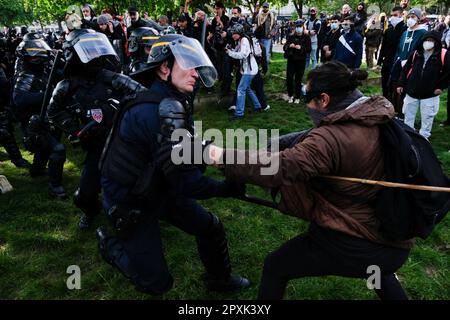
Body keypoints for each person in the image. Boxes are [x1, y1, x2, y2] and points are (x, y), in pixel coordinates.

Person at [208, 61, 413, 300]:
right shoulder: (372, 114)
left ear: (324, 99)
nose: (306, 104)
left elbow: (282, 167)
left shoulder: (333, 138)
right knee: (377, 271)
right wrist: (273, 146)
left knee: (276, 266)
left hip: (351, 240)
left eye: (308, 96)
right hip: (390, 241)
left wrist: (220, 156)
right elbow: (307, 138)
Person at [96, 34, 251, 294]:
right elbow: (187, 182)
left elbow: (184, 147)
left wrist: (215, 156)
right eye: (188, 64)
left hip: (158, 183)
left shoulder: (171, 100)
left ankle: (219, 280)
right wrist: (226, 188)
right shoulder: (155, 111)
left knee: (209, 227)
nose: (196, 72)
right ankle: (110, 247)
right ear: (164, 68)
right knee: (156, 284)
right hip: (130, 199)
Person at [46, 29, 146, 229]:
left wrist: (124, 111)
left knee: (139, 189)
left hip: (121, 144)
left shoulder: (114, 79)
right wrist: (75, 129)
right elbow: (53, 111)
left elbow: (145, 97)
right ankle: (92, 211)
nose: (95, 56)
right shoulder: (66, 85)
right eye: (88, 51)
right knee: (83, 197)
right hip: (95, 148)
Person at [13, 33, 67, 198]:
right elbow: (20, 99)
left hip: (46, 117)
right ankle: (54, 187)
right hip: (33, 123)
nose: (39, 56)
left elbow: (60, 74)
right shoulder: (25, 74)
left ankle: (36, 169)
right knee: (57, 149)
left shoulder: (43, 68)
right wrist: (48, 94)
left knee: (50, 142)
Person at [396, 30, 450, 139]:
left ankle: (424, 138)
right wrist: (400, 84)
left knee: (427, 117)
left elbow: (448, 72)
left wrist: (440, 86)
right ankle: (408, 137)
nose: (427, 42)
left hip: (430, 94)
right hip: (412, 91)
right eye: (426, 40)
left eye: (430, 40)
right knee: (408, 116)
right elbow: (406, 69)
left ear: (436, 42)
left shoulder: (444, 54)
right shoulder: (416, 53)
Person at [390, 8, 427, 118]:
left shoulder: (423, 32)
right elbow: (399, 48)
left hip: (412, 66)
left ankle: (406, 115)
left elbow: (421, 50)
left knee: (406, 90)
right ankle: (397, 111)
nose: (410, 19)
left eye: (413, 17)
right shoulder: (405, 33)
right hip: (399, 64)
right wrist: (398, 60)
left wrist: (411, 61)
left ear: (419, 19)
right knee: (395, 87)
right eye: (409, 17)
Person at [226, 24, 262, 119]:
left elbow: (242, 55)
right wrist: (231, 50)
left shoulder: (244, 40)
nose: (232, 35)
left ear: (239, 33)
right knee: (247, 88)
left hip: (249, 70)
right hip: (249, 69)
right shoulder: (241, 40)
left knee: (241, 89)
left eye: (234, 33)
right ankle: (258, 106)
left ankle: (239, 113)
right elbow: (238, 52)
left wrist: (230, 53)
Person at [377, 6, 406, 101]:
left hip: (398, 60)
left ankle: (394, 103)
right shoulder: (388, 30)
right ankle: (385, 99)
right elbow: (383, 45)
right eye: (392, 15)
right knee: (384, 81)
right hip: (387, 60)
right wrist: (379, 60)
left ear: (401, 15)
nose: (393, 17)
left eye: (395, 15)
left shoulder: (405, 30)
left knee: (394, 83)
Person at [283, 19, 311, 104]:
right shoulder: (291, 36)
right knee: (289, 79)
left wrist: (301, 48)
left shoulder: (306, 37)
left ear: (303, 27)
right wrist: (289, 46)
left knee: (298, 79)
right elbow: (284, 47)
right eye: (297, 27)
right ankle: (290, 95)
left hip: (301, 61)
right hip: (291, 60)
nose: (298, 28)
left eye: (300, 27)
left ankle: (298, 97)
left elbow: (309, 49)